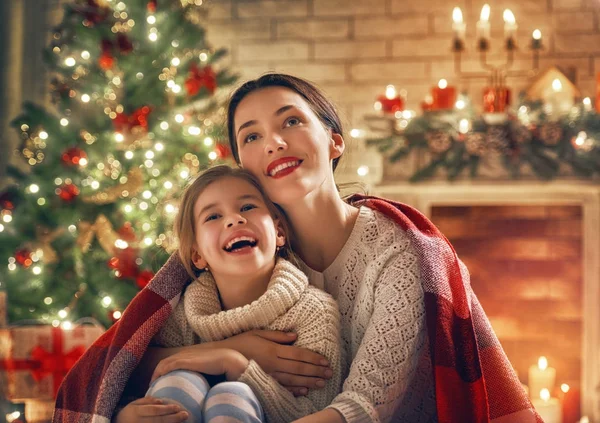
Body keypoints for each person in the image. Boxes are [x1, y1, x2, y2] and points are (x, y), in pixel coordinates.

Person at [54, 74, 542, 423]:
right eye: (252, 135)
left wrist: (230, 361)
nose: (273, 143)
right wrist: (232, 349)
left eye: (290, 122)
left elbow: (363, 408)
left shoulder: (399, 253)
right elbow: (123, 361)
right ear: (243, 163)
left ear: (333, 141)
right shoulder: (240, 252)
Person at [112, 165, 343, 423]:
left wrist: (234, 364)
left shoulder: (313, 311)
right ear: (197, 255)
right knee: (179, 381)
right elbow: (119, 379)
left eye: (247, 207)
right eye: (213, 217)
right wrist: (125, 415)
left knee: (230, 395)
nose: (234, 220)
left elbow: (316, 413)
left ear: (278, 232)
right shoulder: (181, 315)